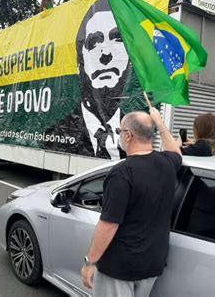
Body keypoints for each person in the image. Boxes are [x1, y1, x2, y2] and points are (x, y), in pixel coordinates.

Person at [81, 108, 182, 296]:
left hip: (120, 267)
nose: (119, 135)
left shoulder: (122, 173)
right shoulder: (167, 164)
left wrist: (90, 262)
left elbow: (109, 224)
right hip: (152, 263)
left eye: (119, 131)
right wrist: (159, 123)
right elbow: (176, 151)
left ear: (128, 136)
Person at [45, 0, 130, 159]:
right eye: (94, 42)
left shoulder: (137, 134)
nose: (106, 54)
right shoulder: (56, 131)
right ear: (80, 63)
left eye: (117, 39)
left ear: (130, 62)